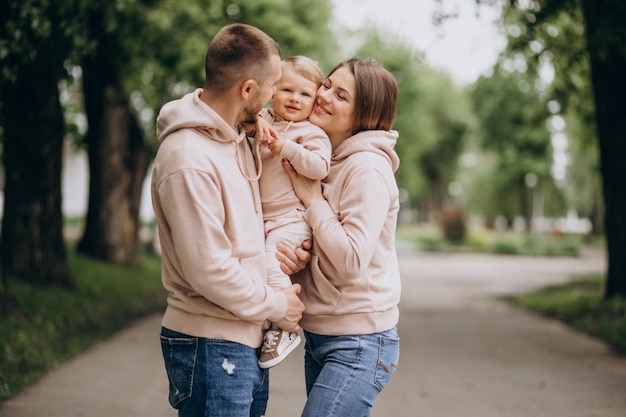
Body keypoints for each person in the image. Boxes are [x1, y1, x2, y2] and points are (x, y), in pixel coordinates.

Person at [150, 23, 307, 417]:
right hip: (210, 344)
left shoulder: (237, 137)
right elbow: (208, 269)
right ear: (248, 89)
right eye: (273, 86)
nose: (276, 96)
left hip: (241, 340)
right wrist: (277, 305)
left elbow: (243, 240)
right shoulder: (188, 158)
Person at [279, 57, 402, 417]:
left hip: (359, 342)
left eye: (341, 96)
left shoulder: (366, 169)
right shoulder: (323, 159)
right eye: (328, 84)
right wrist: (300, 257)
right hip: (321, 336)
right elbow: (321, 240)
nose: (324, 95)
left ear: (364, 115)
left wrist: (313, 200)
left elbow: (349, 261)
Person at [255, 55, 332, 369]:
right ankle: (267, 321)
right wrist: (258, 119)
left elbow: (319, 166)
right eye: (287, 90)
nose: (294, 99)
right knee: (258, 267)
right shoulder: (265, 119)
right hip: (263, 218)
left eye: (304, 94)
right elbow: (245, 117)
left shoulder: (311, 134)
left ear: (314, 101)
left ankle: (287, 324)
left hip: (292, 218)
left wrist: (287, 147)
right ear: (273, 91)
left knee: (270, 261)